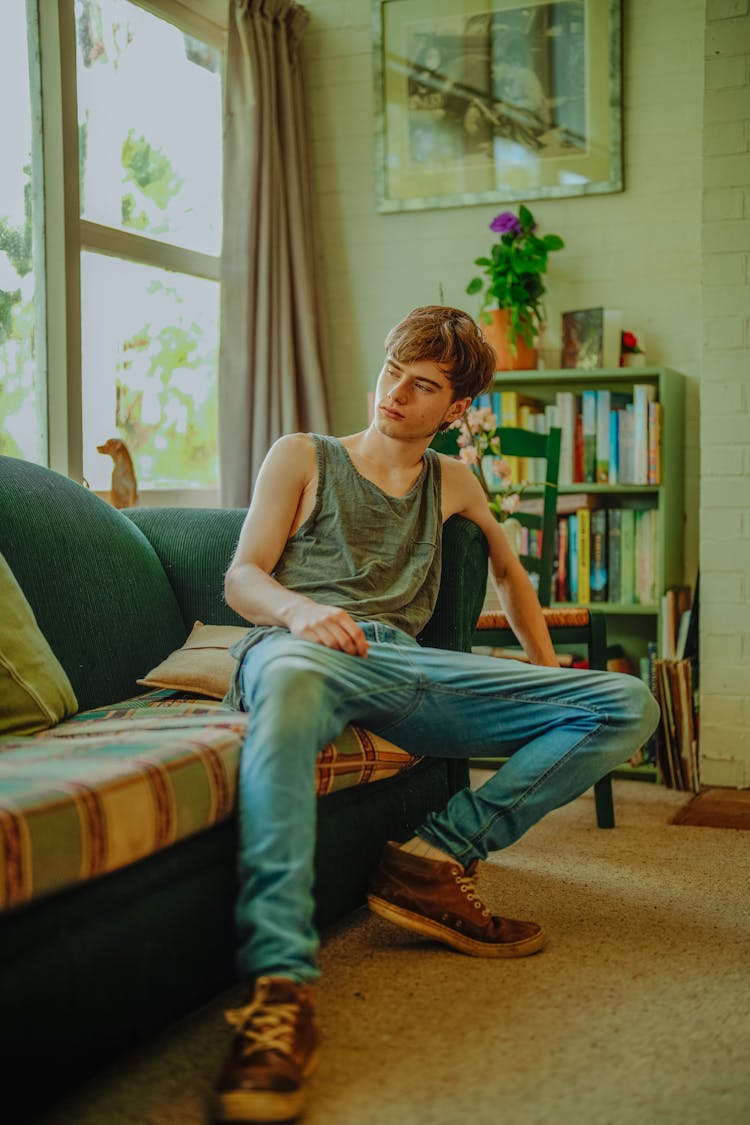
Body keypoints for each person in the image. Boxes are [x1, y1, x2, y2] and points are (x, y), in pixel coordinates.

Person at [213, 305, 660, 1123]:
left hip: (407, 667)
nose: (395, 394)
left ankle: (435, 854)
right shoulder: (303, 454)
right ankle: (279, 992)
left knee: (628, 703)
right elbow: (241, 576)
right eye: (393, 371)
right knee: (288, 692)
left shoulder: (455, 479)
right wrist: (296, 615)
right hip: (299, 652)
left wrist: (547, 678)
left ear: (456, 410)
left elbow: (509, 577)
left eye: (422, 387)